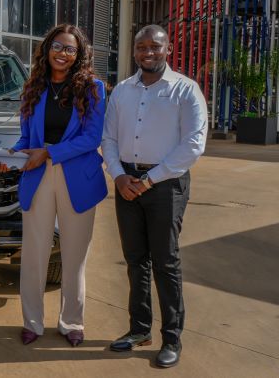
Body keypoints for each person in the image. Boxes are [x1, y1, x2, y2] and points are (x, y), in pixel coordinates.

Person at [101, 25, 208, 368]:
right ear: (134, 51)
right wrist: (118, 176)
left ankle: (172, 338)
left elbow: (193, 145)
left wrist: (147, 181)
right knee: (135, 261)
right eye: (142, 46)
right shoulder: (121, 91)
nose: (148, 52)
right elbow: (110, 139)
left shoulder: (185, 90)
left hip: (165, 185)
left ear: (169, 49)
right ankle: (139, 329)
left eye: (155, 46)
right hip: (126, 183)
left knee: (165, 261)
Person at [0, 24, 107, 347]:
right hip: (38, 174)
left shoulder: (94, 89)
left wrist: (51, 152)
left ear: (79, 54)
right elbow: (26, 137)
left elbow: (91, 138)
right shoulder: (34, 87)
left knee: (74, 257)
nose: (63, 54)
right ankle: (32, 321)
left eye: (70, 49)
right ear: (47, 50)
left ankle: (72, 322)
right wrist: (14, 155)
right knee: (34, 253)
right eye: (58, 46)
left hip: (77, 177)